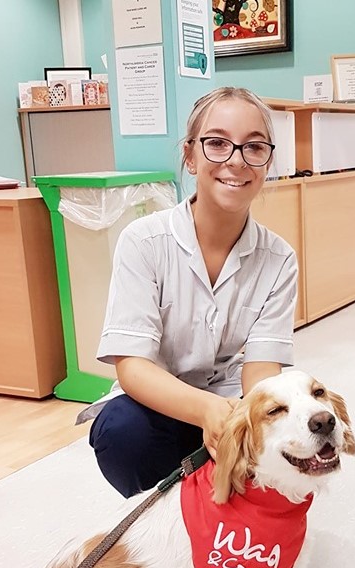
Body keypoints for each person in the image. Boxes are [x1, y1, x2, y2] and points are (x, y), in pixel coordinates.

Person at [79, 86, 298, 498]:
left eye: (254, 147)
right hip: (160, 407)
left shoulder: (279, 258)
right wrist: (205, 410)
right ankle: (160, 511)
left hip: (235, 410)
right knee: (121, 434)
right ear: (190, 155)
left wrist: (248, 425)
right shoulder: (144, 241)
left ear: (268, 161)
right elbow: (134, 366)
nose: (236, 160)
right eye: (216, 143)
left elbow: (261, 370)